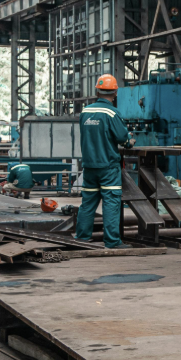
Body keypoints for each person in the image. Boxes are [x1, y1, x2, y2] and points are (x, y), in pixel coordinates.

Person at [75, 74, 133, 249]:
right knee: (111, 202)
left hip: (89, 166)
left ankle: (82, 238)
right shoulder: (112, 113)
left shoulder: (85, 112)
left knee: (88, 203)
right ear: (115, 92)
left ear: (97, 91)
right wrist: (129, 141)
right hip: (108, 166)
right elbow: (122, 137)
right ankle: (112, 241)